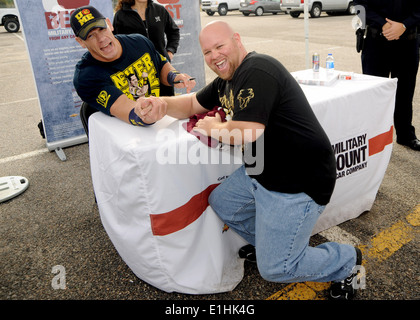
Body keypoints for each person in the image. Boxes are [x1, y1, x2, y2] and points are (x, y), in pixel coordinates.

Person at [141, 21, 363, 300]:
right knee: (223, 203)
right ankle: (276, 246)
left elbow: (248, 131)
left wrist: (214, 129)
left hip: (298, 183)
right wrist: (161, 105)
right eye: (207, 51)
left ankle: (345, 260)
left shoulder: (257, 70)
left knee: (276, 270)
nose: (214, 56)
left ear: (236, 40)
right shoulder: (226, 81)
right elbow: (190, 105)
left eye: (219, 46)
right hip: (262, 173)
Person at [70, 5, 195, 126]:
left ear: (109, 24)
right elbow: (125, 108)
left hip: (160, 122)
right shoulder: (86, 77)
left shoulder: (139, 42)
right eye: (90, 35)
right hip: (126, 134)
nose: (101, 38)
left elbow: (160, 64)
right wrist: (144, 115)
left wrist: (174, 77)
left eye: (102, 29)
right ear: (80, 41)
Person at [354, 0, 420, 151]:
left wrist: (404, 25)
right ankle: (374, 139)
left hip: (408, 42)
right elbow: (358, 4)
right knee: (374, 95)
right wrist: (383, 25)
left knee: (405, 92)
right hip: (376, 42)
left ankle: (405, 135)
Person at [113, 0, 180, 96]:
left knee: (168, 105)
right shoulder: (121, 15)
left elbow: (174, 31)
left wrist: (170, 52)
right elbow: (117, 44)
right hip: (137, 75)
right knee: (145, 108)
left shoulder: (159, 10)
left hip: (162, 69)